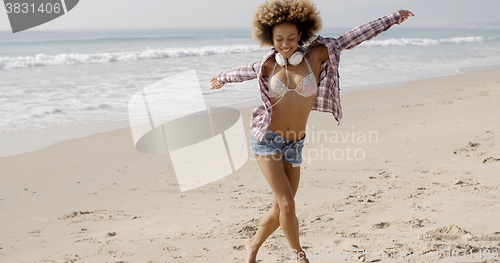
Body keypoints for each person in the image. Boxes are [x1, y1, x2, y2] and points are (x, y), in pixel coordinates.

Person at [209, 0, 414, 262]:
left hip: (295, 144)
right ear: (270, 39)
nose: (286, 44)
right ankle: (300, 257)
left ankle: (252, 244)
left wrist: (391, 18)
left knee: (280, 206)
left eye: (291, 38)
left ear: (301, 36)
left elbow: (352, 37)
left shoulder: (316, 55)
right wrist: (222, 78)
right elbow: (240, 72)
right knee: (287, 204)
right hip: (267, 141)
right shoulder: (267, 65)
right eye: (279, 39)